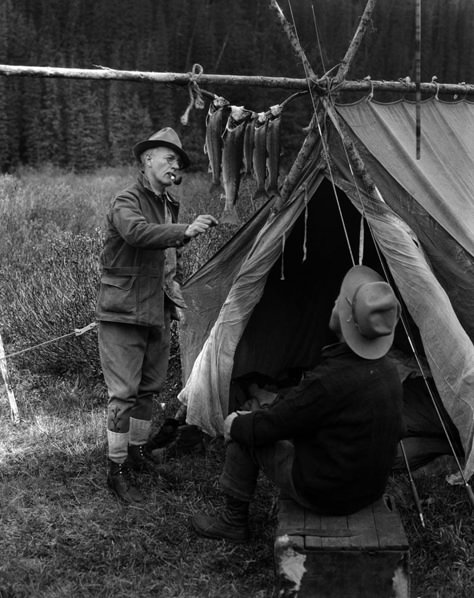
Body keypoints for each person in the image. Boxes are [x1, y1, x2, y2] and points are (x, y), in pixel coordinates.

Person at [192, 265, 404, 542]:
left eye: (341, 300)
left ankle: (232, 522)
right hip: (367, 490)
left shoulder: (329, 380)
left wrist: (236, 423)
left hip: (326, 493)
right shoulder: (388, 370)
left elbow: (275, 424)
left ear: (348, 320)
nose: (334, 301)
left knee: (246, 429)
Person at [96, 127, 218, 505]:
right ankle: (116, 468)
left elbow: (167, 260)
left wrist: (175, 293)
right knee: (123, 395)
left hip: (157, 309)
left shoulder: (169, 202)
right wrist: (184, 230)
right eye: (169, 159)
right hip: (122, 312)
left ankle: (136, 453)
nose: (175, 166)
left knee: (148, 391)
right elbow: (137, 233)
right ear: (147, 159)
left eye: (179, 162)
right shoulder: (126, 200)